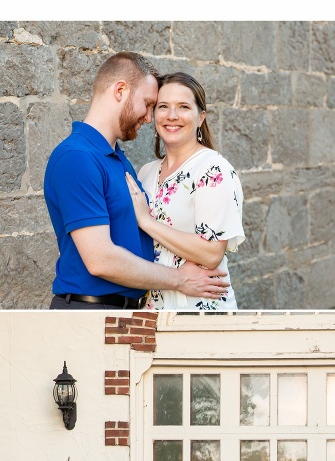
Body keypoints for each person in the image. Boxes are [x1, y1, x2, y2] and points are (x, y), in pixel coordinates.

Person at [43, 51, 228, 310]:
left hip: (128, 310)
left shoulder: (118, 160)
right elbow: (101, 260)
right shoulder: (76, 157)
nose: (149, 118)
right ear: (120, 90)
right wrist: (179, 280)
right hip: (92, 310)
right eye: (149, 104)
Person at [127, 72, 245, 310]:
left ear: (201, 117)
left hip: (198, 308)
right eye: (163, 106)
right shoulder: (146, 173)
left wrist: (146, 221)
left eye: (183, 106)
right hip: (153, 310)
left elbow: (212, 253)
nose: (172, 116)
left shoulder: (213, 169)